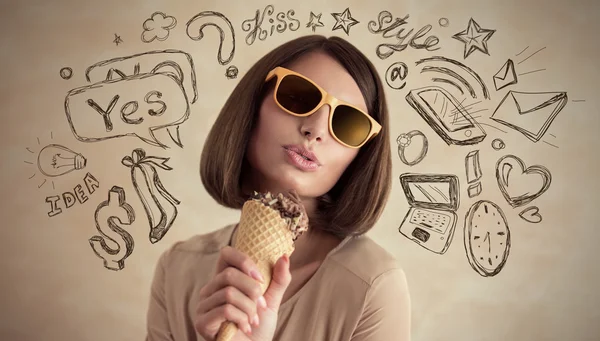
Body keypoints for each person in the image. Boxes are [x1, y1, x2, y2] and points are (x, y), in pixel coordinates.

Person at [146, 34, 411, 341]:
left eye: (348, 123)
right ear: (253, 104)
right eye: (298, 97)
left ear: (360, 156)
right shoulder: (178, 268)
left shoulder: (373, 285)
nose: (315, 129)